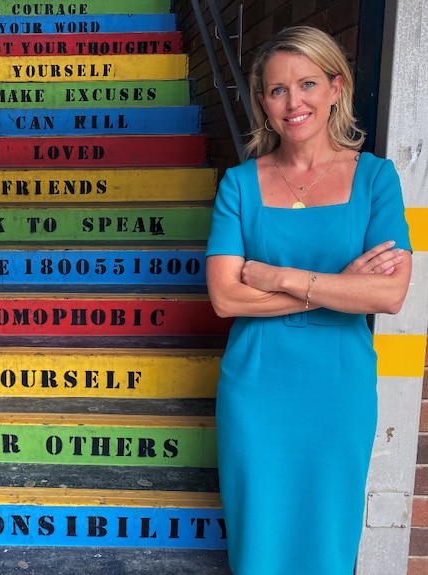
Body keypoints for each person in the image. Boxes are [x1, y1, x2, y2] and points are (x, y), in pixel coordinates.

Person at [205, 26, 412, 574]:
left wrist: (278, 276)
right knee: (259, 543)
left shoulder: (375, 180)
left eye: (308, 84)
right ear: (263, 104)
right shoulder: (239, 184)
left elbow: (389, 293)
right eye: (276, 90)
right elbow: (226, 297)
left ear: (336, 88)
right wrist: (337, 287)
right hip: (257, 389)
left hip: (338, 392)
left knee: (328, 535)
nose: (293, 102)